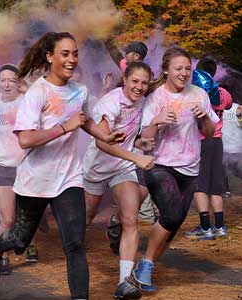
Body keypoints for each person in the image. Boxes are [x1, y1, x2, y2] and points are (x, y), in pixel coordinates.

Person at [0, 32, 126, 300]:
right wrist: (63, 127)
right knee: (20, 240)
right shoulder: (37, 92)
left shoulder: (79, 91)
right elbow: (25, 139)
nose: (72, 59)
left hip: (68, 178)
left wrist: (104, 136)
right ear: (50, 57)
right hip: (35, 181)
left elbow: (84, 119)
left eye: (74, 54)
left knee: (75, 244)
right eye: (65, 54)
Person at [132, 47, 219, 292]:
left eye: (187, 69)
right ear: (167, 70)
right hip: (160, 164)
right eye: (178, 68)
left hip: (190, 168)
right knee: (170, 216)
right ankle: (147, 263)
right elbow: (144, 137)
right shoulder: (156, 97)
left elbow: (210, 133)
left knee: (174, 222)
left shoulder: (199, 94)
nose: (184, 73)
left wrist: (204, 118)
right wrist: (156, 120)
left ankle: (146, 265)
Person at [83, 62, 155, 299]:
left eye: (144, 83)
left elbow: (128, 137)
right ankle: (74, 258)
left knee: (130, 219)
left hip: (122, 168)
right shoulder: (111, 103)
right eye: (135, 81)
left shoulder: (144, 102)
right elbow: (102, 141)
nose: (139, 87)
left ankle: (125, 281)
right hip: (95, 169)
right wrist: (135, 155)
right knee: (84, 220)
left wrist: (138, 144)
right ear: (124, 79)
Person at [0, 64, 41, 274]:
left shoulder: (26, 102)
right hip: (1, 166)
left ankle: (22, 246)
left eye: (12, 79)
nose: (7, 84)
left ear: (18, 82)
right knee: (8, 219)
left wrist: (27, 91)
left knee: (27, 217)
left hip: (27, 166)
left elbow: (43, 110)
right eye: (3, 80)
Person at [184, 57, 232, 240]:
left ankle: (205, 228)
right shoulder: (222, 92)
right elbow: (227, 104)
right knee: (215, 185)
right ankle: (219, 226)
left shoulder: (196, 93)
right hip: (217, 141)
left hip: (201, 140)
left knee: (199, 185)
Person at [219, 74, 242, 197]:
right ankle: (225, 190)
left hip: (236, 146)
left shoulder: (238, 108)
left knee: (235, 169)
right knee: (221, 167)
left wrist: (239, 116)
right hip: (223, 145)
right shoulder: (217, 108)